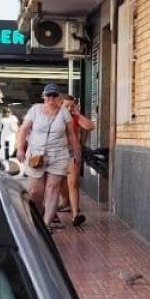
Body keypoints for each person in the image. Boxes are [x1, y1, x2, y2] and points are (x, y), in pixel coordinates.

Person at [20, 84, 75, 226]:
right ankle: (38, 216)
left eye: (54, 95)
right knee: (35, 192)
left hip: (58, 155)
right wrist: (20, 148)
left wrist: (77, 151)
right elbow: (24, 129)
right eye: (48, 95)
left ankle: (46, 224)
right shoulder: (35, 110)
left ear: (59, 98)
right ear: (44, 97)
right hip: (36, 155)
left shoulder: (64, 113)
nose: (51, 98)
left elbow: (71, 134)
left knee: (52, 188)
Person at [59, 92, 96, 227]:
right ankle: (63, 204)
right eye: (66, 106)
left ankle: (75, 215)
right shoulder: (54, 116)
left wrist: (77, 113)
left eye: (72, 106)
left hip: (71, 153)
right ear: (60, 104)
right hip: (56, 153)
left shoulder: (74, 117)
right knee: (57, 184)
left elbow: (90, 126)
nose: (69, 109)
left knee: (73, 183)